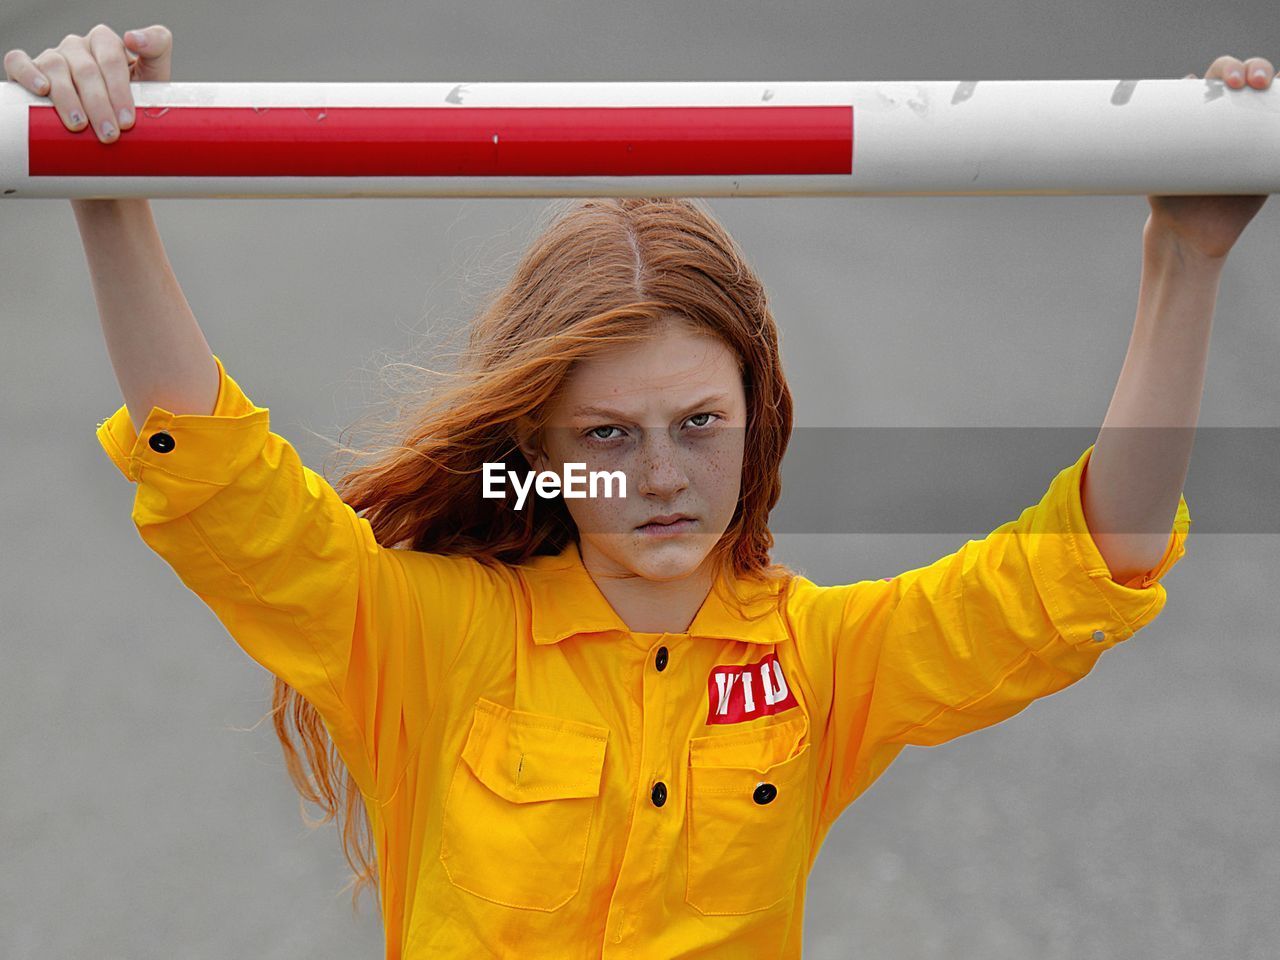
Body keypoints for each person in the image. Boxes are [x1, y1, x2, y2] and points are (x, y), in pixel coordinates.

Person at [5, 22, 1274, 959]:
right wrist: (107, 190)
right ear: (539, 447)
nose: (661, 476)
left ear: (757, 422)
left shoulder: (818, 660)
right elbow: (231, 497)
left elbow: (1080, 564)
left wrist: (1184, 261)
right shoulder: (432, 637)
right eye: (606, 434)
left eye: (699, 424)